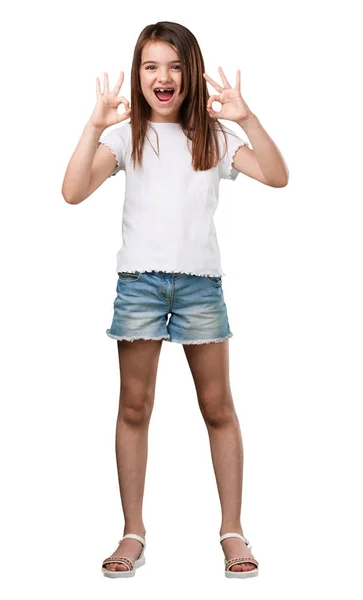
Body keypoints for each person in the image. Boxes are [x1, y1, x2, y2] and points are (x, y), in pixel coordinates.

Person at [62, 21, 289, 579]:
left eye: (175, 66)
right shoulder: (123, 136)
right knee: (134, 407)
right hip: (138, 283)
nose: (163, 78)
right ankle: (132, 531)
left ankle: (232, 530)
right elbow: (71, 192)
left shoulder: (213, 135)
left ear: (191, 72)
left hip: (199, 286)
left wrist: (247, 119)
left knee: (218, 407)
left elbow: (278, 176)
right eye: (151, 67)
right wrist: (93, 126)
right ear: (139, 74)